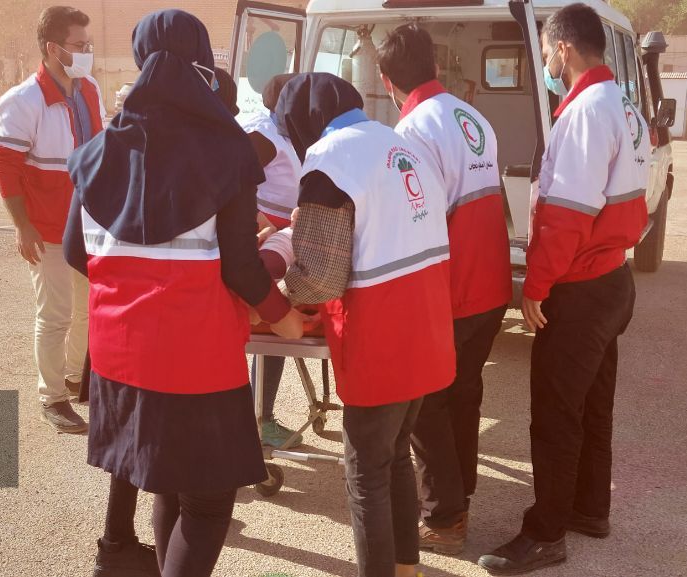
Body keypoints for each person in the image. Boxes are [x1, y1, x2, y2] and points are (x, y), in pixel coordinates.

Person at [63, 10, 306, 577]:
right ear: (201, 64)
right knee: (208, 502)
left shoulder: (96, 153)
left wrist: (133, 281)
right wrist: (284, 317)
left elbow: (77, 252)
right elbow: (242, 268)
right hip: (195, 361)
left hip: (118, 356)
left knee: (168, 483)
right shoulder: (226, 153)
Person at [477, 4, 648, 574]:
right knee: (593, 404)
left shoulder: (585, 112)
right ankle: (589, 508)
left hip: (580, 285)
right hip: (612, 278)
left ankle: (546, 532)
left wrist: (536, 287)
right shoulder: (622, 105)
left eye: (548, 51)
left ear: (564, 49)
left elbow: (569, 215)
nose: (547, 61)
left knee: (554, 413)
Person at [276, 72, 455, 577]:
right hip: (426, 328)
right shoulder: (399, 142)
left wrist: (278, 297)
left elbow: (319, 276)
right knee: (394, 456)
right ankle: (405, 568)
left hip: (381, 337)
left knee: (365, 475)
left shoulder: (330, 160)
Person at [377, 24, 511, 555]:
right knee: (464, 393)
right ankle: (461, 494)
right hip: (492, 284)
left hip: (452, 292)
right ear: (435, 66)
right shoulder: (469, 116)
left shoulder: (411, 132)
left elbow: (419, 220)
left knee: (426, 404)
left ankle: (445, 515)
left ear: (386, 80)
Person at [0, 5, 105, 433]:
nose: (86, 52)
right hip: (48, 229)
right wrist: (23, 226)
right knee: (55, 315)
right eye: (79, 45)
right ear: (53, 48)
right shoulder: (22, 101)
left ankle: (74, 377)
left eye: (88, 45)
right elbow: (5, 166)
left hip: (89, 226)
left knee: (87, 311)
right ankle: (52, 396)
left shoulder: (89, 88)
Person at [235, 71, 305, 448]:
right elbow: (234, 181)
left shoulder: (287, 131)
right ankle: (260, 419)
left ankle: (259, 416)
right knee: (269, 320)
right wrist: (259, 220)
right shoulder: (263, 136)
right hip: (267, 242)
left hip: (284, 237)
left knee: (271, 323)